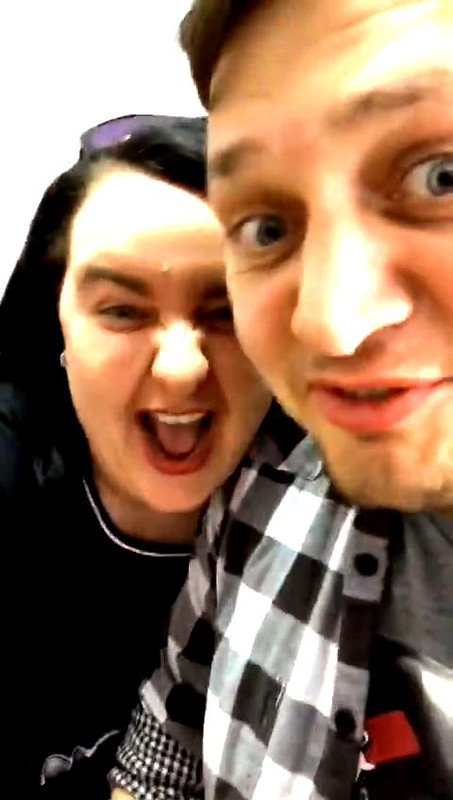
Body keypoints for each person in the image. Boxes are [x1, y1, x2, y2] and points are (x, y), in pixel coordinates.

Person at [111, 2, 452, 799]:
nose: (329, 324)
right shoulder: (260, 497)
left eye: (441, 177)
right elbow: (162, 755)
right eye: (265, 227)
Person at [0, 114, 273, 798]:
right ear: (55, 322)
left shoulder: (337, 526)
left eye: (229, 311)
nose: (182, 369)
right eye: (122, 310)